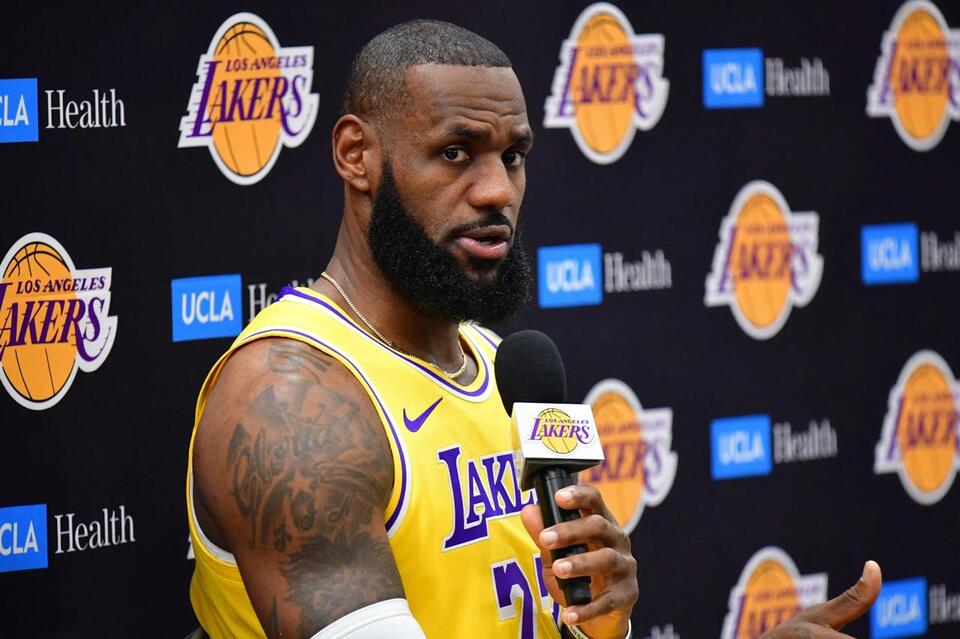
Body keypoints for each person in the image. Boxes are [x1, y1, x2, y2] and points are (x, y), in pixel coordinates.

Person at [185, 20, 881, 639]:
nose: (497, 191)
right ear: (355, 155)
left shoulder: (506, 368)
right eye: (456, 152)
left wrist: (605, 626)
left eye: (513, 157)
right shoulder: (290, 401)